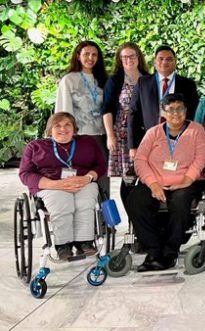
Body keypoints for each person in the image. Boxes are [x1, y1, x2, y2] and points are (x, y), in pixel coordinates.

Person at [127, 93, 205, 272]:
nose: (176, 113)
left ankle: (170, 253)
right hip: (155, 182)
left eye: (180, 108)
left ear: (186, 111)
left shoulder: (196, 130)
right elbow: (140, 160)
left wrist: (186, 180)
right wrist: (153, 184)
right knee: (135, 201)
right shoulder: (153, 133)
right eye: (170, 109)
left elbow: (201, 158)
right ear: (163, 113)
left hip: (185, 182)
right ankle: (155, 251)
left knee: (180, 203)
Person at [19, 113, 106, 260]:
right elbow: (25, 174)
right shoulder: (35, 147)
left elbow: (100, 165)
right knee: (62, 203)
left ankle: (84, 242)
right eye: (57, 125)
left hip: (82, 181)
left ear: (74, 128)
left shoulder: (87, 142)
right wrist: (55, 184)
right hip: (50, 185)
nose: (63, 129)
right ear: (49, 129)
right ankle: (63, 245)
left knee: (85, 202)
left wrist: (87, 178)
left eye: (67, 125)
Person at [55, 40, 109, 193]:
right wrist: (67, 136)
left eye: (94, 55)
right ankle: (82, 216)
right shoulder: (69, 80)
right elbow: (63, 111)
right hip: (79, 136)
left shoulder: (103, 80)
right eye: (86, 54)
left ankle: (104, 217)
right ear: (78, 56)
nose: (90, 58)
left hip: (101, 136)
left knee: (102, 179)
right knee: (80, 179)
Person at [128, 45, 199, 156]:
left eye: (169, 59)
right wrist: (133, 146)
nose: (164, 62)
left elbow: (194, 114)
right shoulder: (143, 83)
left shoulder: (188, 85)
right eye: (161, 59)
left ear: (175, 62)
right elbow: (133, 114)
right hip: (150, 140)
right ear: (155, 62)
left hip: (180, 140)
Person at [101, 42, 149, 207]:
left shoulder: (148, 78)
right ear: (120, 60)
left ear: (138, 57)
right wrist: (110, 136)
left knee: (146, 175)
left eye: (132, 56)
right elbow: (106, 109)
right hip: (123, 135)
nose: (129, 60)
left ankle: (143, 215)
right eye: (124, 57)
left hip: (146, 133)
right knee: (128, 178)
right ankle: (132, 218)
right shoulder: (115, 81)